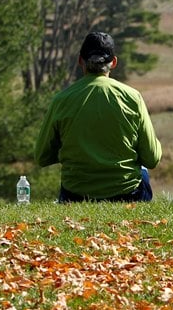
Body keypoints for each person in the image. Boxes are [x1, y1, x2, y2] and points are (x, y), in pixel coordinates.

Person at [35, 32, 162, 202]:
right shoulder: (132, 97)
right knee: (143, 171)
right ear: (114, 62)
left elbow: (42, 156)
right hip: (126, 194)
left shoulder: (61, 100)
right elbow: (152, 158)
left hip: (75, 194)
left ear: (81, 61)